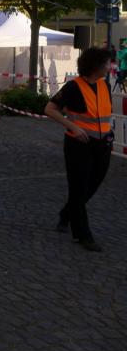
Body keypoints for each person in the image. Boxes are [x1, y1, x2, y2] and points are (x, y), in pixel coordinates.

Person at [44, 47, 113, 252]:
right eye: (107, 63)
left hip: (102, 144)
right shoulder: (73, 86)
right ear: (96, 66)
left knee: (93, 185)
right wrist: (73, 127)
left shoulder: (105, 85)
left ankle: (67, 213)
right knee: (79, 188)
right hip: (78, 145)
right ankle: (83, 235)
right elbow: (49, 109)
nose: (110, 66)